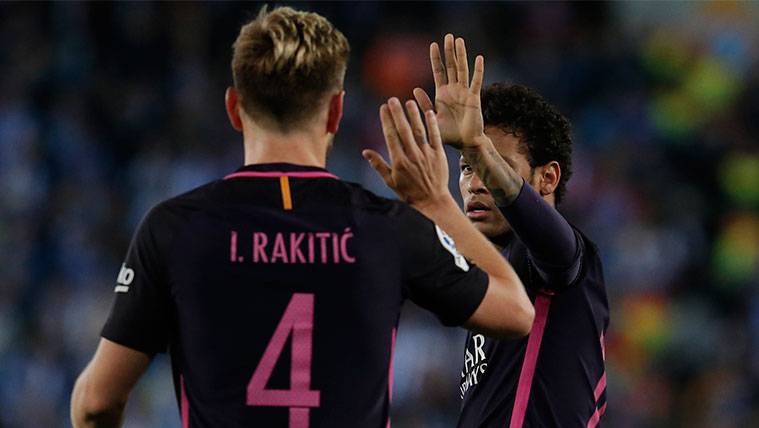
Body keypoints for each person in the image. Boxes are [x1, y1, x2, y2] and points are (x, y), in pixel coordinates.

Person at [70, 8, 534, 428]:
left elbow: (96, 403)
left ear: (234, 108)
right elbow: (516, 312)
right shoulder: (386, 227)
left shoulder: (174, 228)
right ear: (335, 111)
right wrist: (437, 204)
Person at [411, 34, 609, 427]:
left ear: (547, 178)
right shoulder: (499, 287)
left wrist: (478, 148)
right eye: (466, 167)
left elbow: (550, 244)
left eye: (491, 164)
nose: (475, 181)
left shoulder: (565, 260)